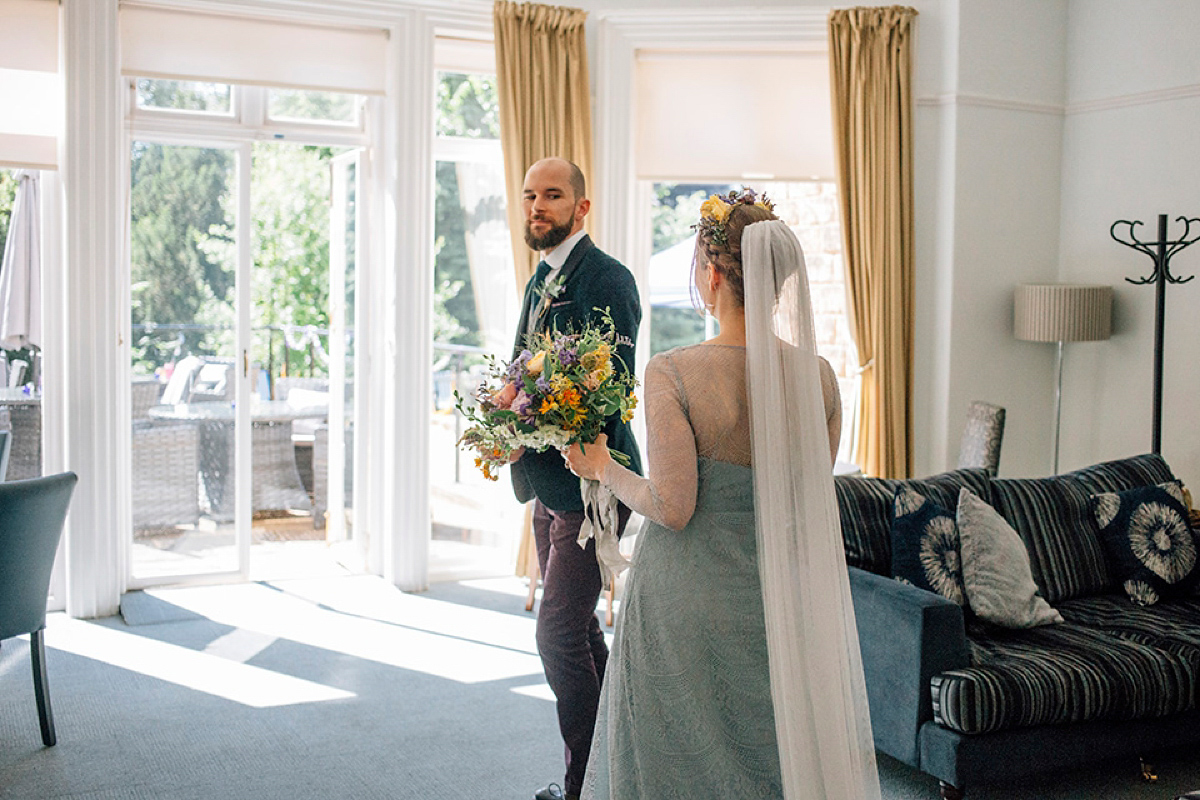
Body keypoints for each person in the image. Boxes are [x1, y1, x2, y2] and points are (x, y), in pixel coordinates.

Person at [565, 191, 881, 799]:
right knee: (771, 757)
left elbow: (671, 507)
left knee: (673, 761)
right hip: (776, 603)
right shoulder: (818, 378)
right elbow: (806, 503)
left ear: (712, 275)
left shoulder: (673, 370)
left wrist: (602, 465)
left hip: (687, 599)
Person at [511, 157, 643, 800]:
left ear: (580, 208)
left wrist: (539, 410)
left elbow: (613, 387)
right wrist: (505, 417)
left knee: (557, 634)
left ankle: (582, 788)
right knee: (583, 631)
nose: (538, 205)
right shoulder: (540, 279)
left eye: (553, 195)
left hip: (596, 488)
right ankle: (614, 768)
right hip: (548, 487)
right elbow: (521, 368)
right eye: (531, 194)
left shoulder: (608, 279)